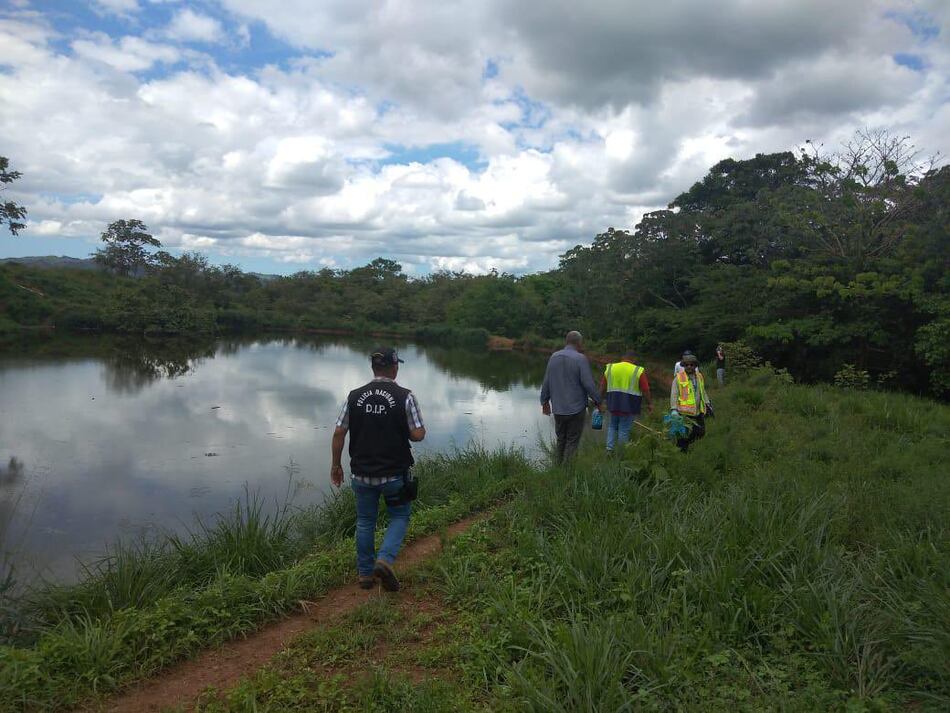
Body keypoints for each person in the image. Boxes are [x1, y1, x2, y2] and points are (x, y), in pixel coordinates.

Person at [330, 347, 425, 591]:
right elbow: (418, 434)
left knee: (364, 521)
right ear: (394, 368)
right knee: (400, 516)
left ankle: (364, 575)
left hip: (361, 473)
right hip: (394, 473)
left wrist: (335, 464)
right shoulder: (405, 396)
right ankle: (384, 560)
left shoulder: (354, 396)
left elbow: (339, 431)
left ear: (374, 368)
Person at [540, 330, 603, 464]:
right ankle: (567, 473)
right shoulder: (580, 359)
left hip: (558, 409)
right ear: (579, 343)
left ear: (566, 341)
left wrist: (544, 401)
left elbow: (546, 382)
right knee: (572, 441)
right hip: (576, 409)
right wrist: (598, 401)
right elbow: (588, 384)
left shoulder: (553, 357)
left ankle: (557, 467)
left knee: (561, 439)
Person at [599, 350, 654, 453]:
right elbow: (645, 389)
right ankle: (621, 453)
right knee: (623, 429)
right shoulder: (638, 370)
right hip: (629, 405)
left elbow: (602, 386)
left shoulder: (611, 367)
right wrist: (649, 404)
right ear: (634, 359)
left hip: (612, 403)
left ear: (622, 358)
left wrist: (599, 401)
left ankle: (609, 449)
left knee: (612, 426)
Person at [669, 352, 713, 452]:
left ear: (695, 366)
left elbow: (703, 391)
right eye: (687, 365)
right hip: (684, 413)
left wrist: (707, 403)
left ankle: (690, 446)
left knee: (701, 432)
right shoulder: (678, 378)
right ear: (684, 366)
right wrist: (674, 409)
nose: (689, 366)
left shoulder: (699, 377)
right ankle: (682, 452)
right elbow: (674, 394)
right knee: (683, 436)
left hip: (698, 412)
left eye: (691, 365)